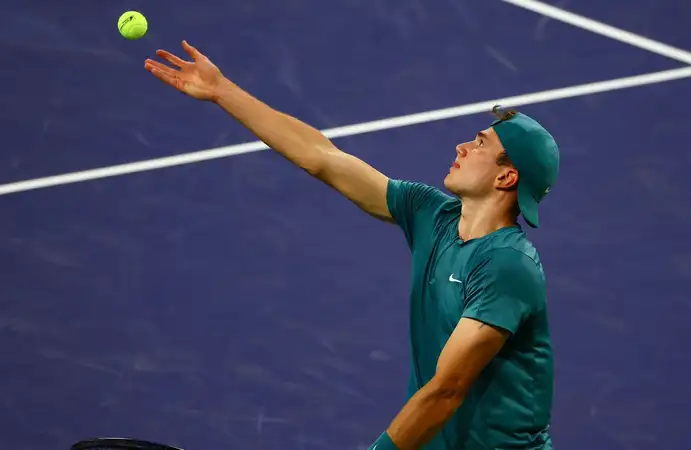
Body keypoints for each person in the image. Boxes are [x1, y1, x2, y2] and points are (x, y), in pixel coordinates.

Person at [144, 41, 560, 450]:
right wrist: (222, 90)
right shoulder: (432, 214)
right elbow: (322, 157)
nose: (462, 147)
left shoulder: (506, 266)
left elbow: (446, 390)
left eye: (481, 144)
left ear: (506, 177)